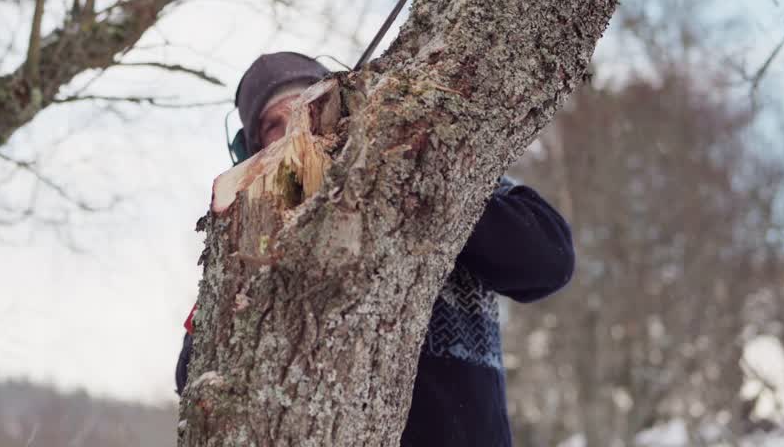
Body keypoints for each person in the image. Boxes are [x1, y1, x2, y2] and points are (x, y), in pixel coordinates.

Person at [176, 52, 575, 447]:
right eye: (273, 125)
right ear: (254, 150)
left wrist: (417, 182)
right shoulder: (254, 238)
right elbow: (192, 376)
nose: (297, 130)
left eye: (308, 108)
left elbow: (549, 259)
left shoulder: (428, 164)